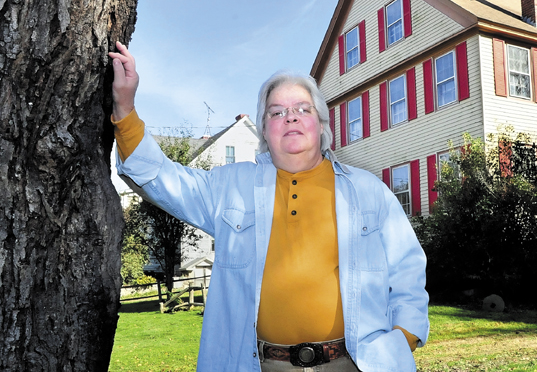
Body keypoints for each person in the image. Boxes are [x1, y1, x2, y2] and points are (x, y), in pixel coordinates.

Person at [109, 42, 429, 372]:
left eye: (302, 109)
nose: (290, 116)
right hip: (261, 364)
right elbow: (159, 177)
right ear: (264, 129)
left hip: (354, 363)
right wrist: (125, 107)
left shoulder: (367, 190)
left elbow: (407, 267)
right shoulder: (232, 187)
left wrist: (403, 337)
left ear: (321, 124)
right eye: (276, 112)